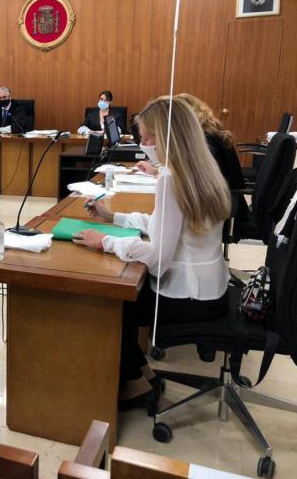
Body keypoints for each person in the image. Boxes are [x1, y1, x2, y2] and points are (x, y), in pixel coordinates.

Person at [73, 96, 231, 412]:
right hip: (211, 290)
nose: (143, 145)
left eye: (147, 138)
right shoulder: (201, 169)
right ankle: (144, 376)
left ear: (169, 137)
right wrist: (114, 218)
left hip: (188, 297)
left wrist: (105, 241)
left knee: (110, 303)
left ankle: (136, 385)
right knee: (127, 296)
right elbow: (165, 224)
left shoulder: (171, 179)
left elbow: (158, 259)